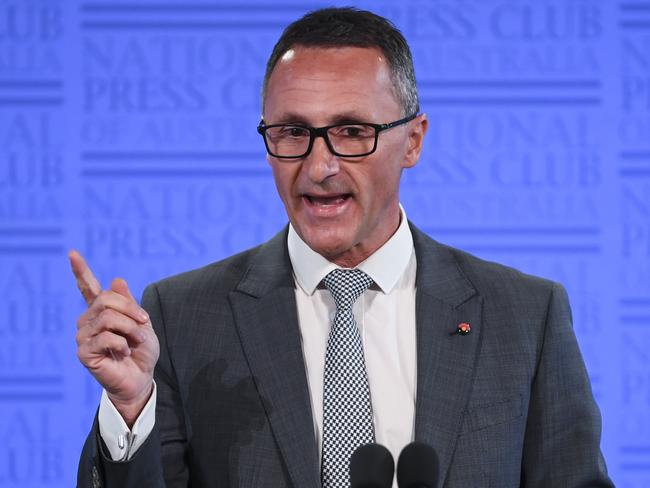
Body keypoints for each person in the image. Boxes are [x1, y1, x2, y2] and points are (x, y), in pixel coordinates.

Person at [73, 7, 614, 488]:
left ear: (414, 141)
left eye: (352, 131)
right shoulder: (183, 316)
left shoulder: (523, 315)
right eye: (291, 131)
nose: (318, 166)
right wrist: (129, 409)